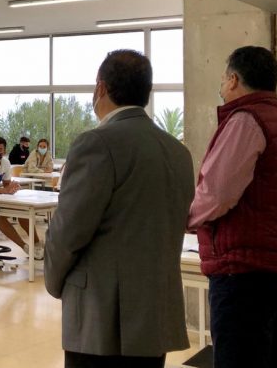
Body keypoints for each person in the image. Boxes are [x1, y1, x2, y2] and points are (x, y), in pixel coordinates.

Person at [44, 50, 194, 368]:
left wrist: (54, 282)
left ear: (101, 89)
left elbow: (69, 230)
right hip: (155, 309)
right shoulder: (178, 152)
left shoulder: (96, 143)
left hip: (103, 314)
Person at [187, 46, 277, 368]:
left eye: (223, 78)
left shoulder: (245, 121)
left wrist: (186, 219)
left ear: (233, 79)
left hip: (246, 276)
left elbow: (217, 193)